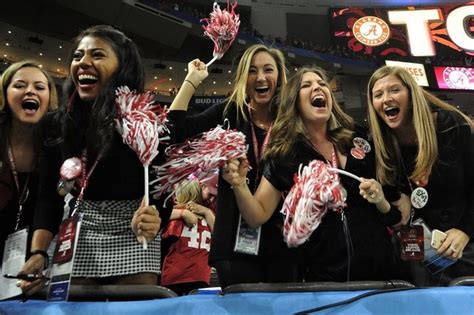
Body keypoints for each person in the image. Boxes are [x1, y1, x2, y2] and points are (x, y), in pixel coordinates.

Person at [18, 25, 166, 296]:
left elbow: (162, 193)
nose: (83, 62)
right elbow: (47, 198)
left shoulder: (145, 124)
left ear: (123, 66)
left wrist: (157, 218)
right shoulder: (55, 125)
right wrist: (39, 252)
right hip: (77, 231)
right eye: (77, 55)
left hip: (134, 235)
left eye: (97, 55)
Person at [223, 67, 402, 282]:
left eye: (322, 84)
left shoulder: (359, 138)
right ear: (294, 102)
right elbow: (257, 215)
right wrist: (239, 185)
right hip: (325, 279)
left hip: (382, 273)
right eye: (306, 85)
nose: (317, 86)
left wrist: (380, 196)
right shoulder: (284, 154)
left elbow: (393, 205)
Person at [168, 44, 300, 287]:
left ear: (280, 76)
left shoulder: (291, 122)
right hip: (233, 243)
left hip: (284, 243)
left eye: (268, 69)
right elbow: (175, 131)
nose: (260, 77)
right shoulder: (229, 112)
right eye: (252, 71)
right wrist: (190, 82)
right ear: (242, 78)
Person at [366, 65, 474, 286]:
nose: (386, 99)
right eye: (378, 95)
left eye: (394, 90)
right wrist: (391, 200)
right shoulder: (379, 146)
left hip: (466, 245)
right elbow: (391, 213)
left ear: (411, 95)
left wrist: (465, 231)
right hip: (418, 251)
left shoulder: (449, 126)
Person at [0, 60, 58, 265]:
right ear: (5, 95)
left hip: (35, 258)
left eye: (39, 87)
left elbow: (52, 206)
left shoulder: (57, 146)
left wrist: (39, 254)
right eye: (20, 85)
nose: (30, 92)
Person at [160, 177, 215, 295]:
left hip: (174, 275)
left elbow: (165, 236)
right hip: (201, 275)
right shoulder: (210, 215)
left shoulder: (176, 215)